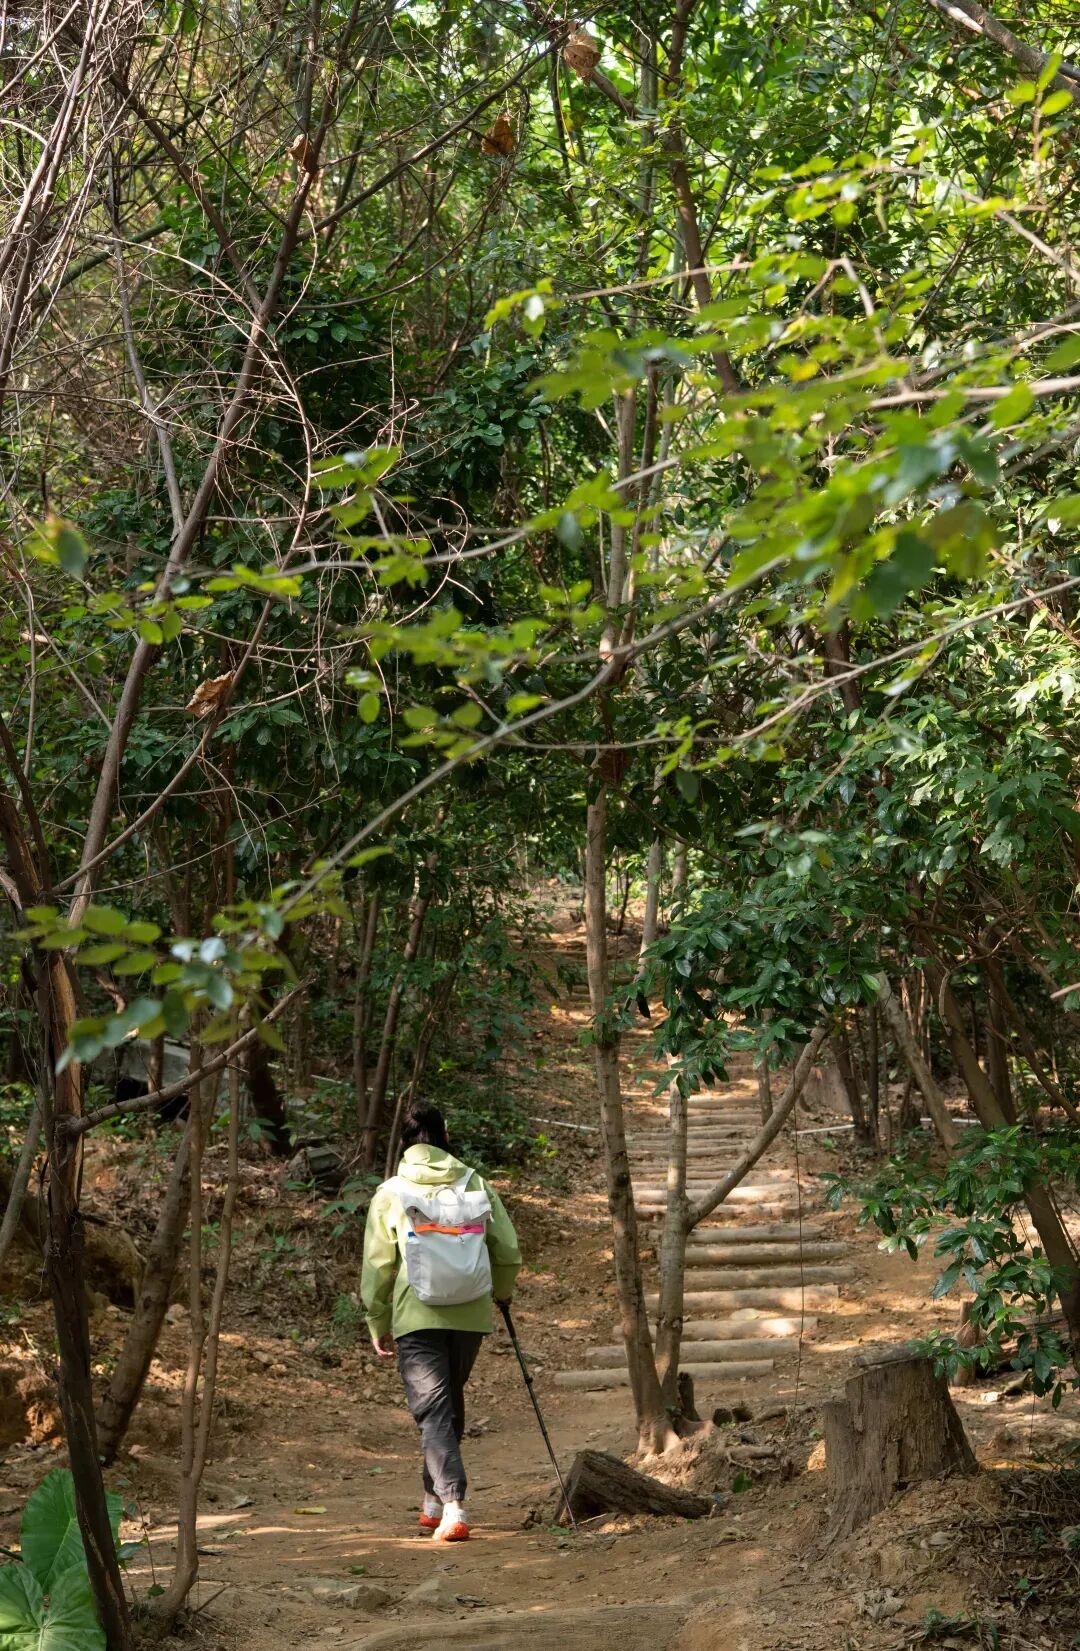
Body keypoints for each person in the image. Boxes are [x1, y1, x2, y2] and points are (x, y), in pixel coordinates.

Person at [361, 1100, 521, 1542]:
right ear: (445, 1136)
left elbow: (377, 1266)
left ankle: (453, 1506)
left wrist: (377, 1320)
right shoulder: (475, 1182)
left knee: (434, 1410)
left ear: (404, 1143)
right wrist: (501, 1294)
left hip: (417, 1314)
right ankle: (432, 1502)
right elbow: (506, 1249)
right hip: (470, 1313)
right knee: (443, 1404)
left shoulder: (391, 1192)